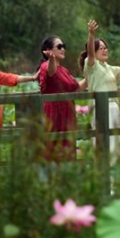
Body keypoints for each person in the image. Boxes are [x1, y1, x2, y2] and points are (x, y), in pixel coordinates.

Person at [79, 20, 120, 164]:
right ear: (94, 52)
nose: (104, 50)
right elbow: (89, 52)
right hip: (100, 108)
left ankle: (113, 181)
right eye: (100, 48)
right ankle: (103, 179)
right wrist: (91, 34)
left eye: (105, 47)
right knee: (102, 143)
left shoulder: (109, 68)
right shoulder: (91, 66)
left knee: (115, 143)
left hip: (114, 108)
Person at [40, 34, 87, 162]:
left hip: (67, 113)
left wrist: (91, 75)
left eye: (63, 46)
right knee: (54, 151)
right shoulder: (46, 66)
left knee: (68, 151)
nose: (63, 49)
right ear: (49, 51)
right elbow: (51, 73)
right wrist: (50, 59)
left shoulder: (64, 70)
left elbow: (76, 88)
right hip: (53, 114)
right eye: (59, 46)